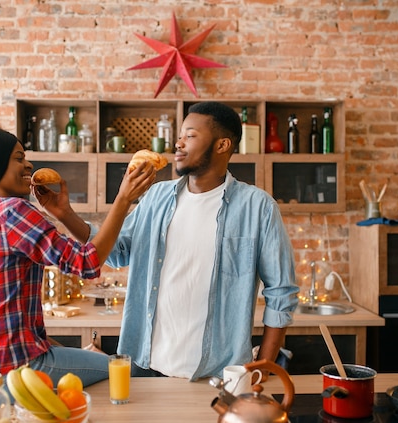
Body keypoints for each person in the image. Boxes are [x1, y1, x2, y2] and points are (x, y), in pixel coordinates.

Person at [105, 101, 299, 381]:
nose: (178, 143)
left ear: (222, 145)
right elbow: (116, 251)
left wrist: (263, 367)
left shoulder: (258, 207)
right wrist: (64, 213)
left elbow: (281, 292)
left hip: (218, 375)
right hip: (145, 367)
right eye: (180, 135)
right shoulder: (157, 196)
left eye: (190, 135)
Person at [0, 127, 156, 388]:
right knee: (133, 373)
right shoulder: (12, 210)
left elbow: (0, 316)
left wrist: (62, 212)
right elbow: (87, 262)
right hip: (14, 368)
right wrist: (124, 198)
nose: (28, 164)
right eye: (18, 158)